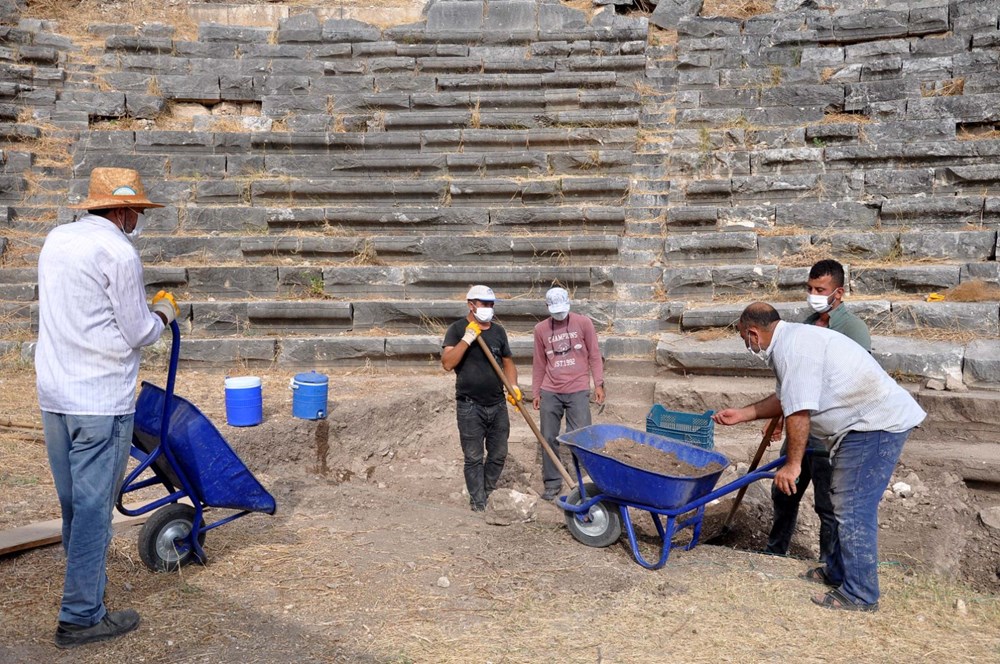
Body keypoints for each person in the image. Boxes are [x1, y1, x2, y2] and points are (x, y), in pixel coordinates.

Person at [36, 167, 180, 648]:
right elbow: (138, 331)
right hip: (99, 399)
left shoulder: (58, 237)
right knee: (95, 511)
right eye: (136, 212)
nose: (137, 220)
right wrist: (164, 313)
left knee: (75, 506)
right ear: (120, 210)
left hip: (55, 395)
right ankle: (81, 615)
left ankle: (83, 595)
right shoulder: (118, 251)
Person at [712, 303, 925, 612]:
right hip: (863, 425)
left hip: (874, 426)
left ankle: (861, 595)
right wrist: (743, 414)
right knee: (843, 504)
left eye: (744, 338)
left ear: (753, 333)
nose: (747, 344)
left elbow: (799, 412)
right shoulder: (792, 342)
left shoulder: (793, 350)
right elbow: (786, 397)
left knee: (852, 507)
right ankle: (837, 571)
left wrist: (793, 465)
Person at [765, 259, 871, 565]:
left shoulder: (853, 330)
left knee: (827, 503)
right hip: (801, 429)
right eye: (810, 288)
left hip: (830, 434)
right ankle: (775, 552)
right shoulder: (807, 324)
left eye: (820, 289)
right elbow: (793, 380)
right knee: (784, 492)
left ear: (838, 292)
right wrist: (779, 419)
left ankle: (828, 564)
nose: (814, 294)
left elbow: (856, 380)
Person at [441, 285, 520, 512]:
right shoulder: (457, 330)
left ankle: (485, 491)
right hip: (469, 405)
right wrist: (467, 338)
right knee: (474, 457)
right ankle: (478, 503)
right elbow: (447, 363)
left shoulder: (498, 332)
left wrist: (513, 385)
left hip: (497, 403)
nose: (489, 308)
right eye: (485, 304)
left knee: (498, 454)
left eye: (491, 304)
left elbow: (508, 362)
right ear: (471, 304)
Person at [531, 287, 605, 500]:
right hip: (551, 390)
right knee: (548, 437)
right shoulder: (540, 329)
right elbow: (539, 363)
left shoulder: (584, 323)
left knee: (581, 436)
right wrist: (537, 391)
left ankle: (586, 481)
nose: (559, 314)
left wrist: (598, 384)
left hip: (578, 388)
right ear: (547, 307)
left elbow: (594, 355)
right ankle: (553, 482)